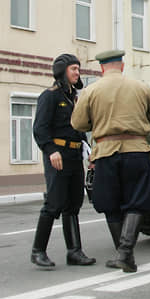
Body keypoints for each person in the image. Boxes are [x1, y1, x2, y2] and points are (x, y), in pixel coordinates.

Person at [71, 49, 150, 272]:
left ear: (102, 68)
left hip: (105, 152)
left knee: (110, 203)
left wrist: (100, 122)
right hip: (136, 149)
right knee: (137, 200)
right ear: (121, 66)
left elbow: (78, 124)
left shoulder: (91, 91)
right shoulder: (141, 87)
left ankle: (124, 254)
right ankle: (125, 254)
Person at [30, 53, 96, 268]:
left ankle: (74, 252)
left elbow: (78, 129)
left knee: (74, 204)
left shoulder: (74, 97)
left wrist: (88, 152)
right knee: (54, 203)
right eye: (73, 69)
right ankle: (38, 251)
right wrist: (51, 150)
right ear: (62, 71)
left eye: (78, 69)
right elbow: (40, 128)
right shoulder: (50, 96)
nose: (77, 73)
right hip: (57, 156)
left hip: (74, 156)